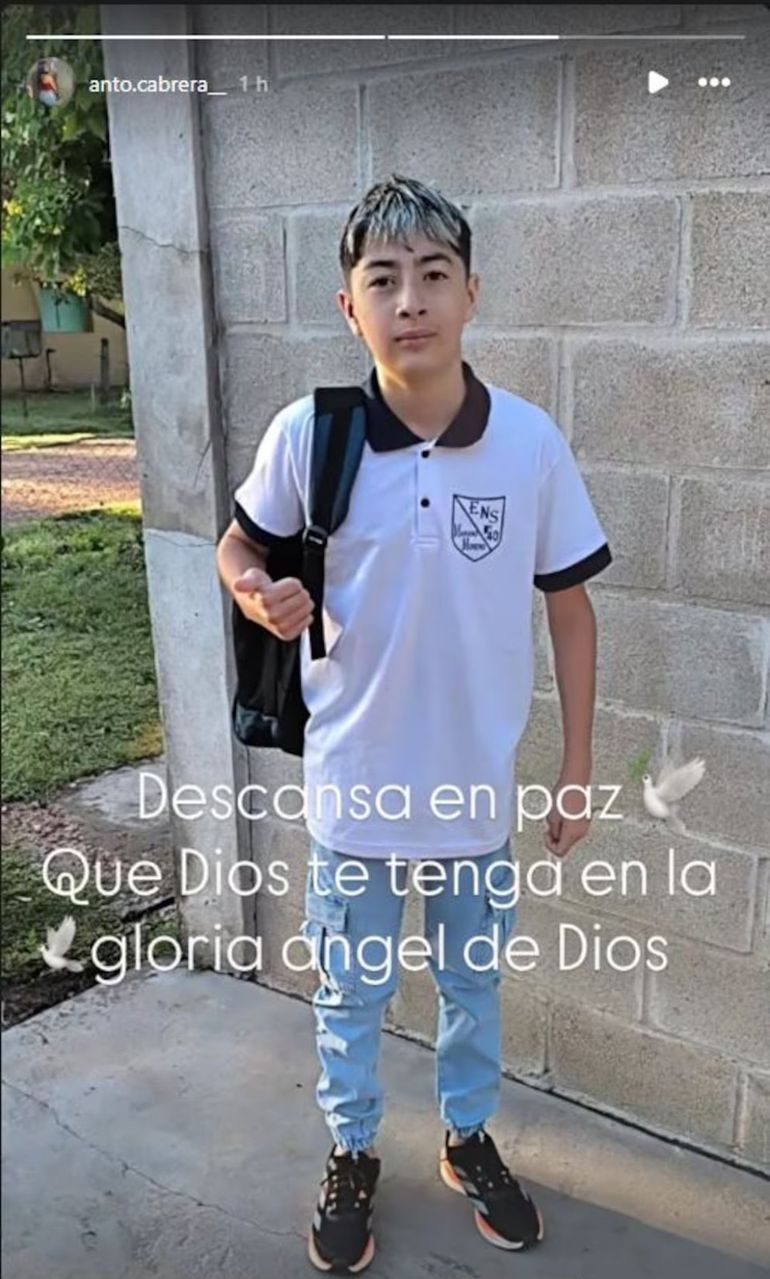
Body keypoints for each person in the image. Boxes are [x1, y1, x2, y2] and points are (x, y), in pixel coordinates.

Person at [216, 174, 613, 1273]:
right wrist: (255, 590)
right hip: (355, 786)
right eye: (383, 279)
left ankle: (467, 1136)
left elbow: (570, 609)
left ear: (471, 292)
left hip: (474, 793)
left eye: (434, 274)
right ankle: (351, 1148)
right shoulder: (311, 433)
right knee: (350, 989)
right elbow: (238, 544)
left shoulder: (527, 443)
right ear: (349, 306)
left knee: (472, 984)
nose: (410, 300)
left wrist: (576, 766)